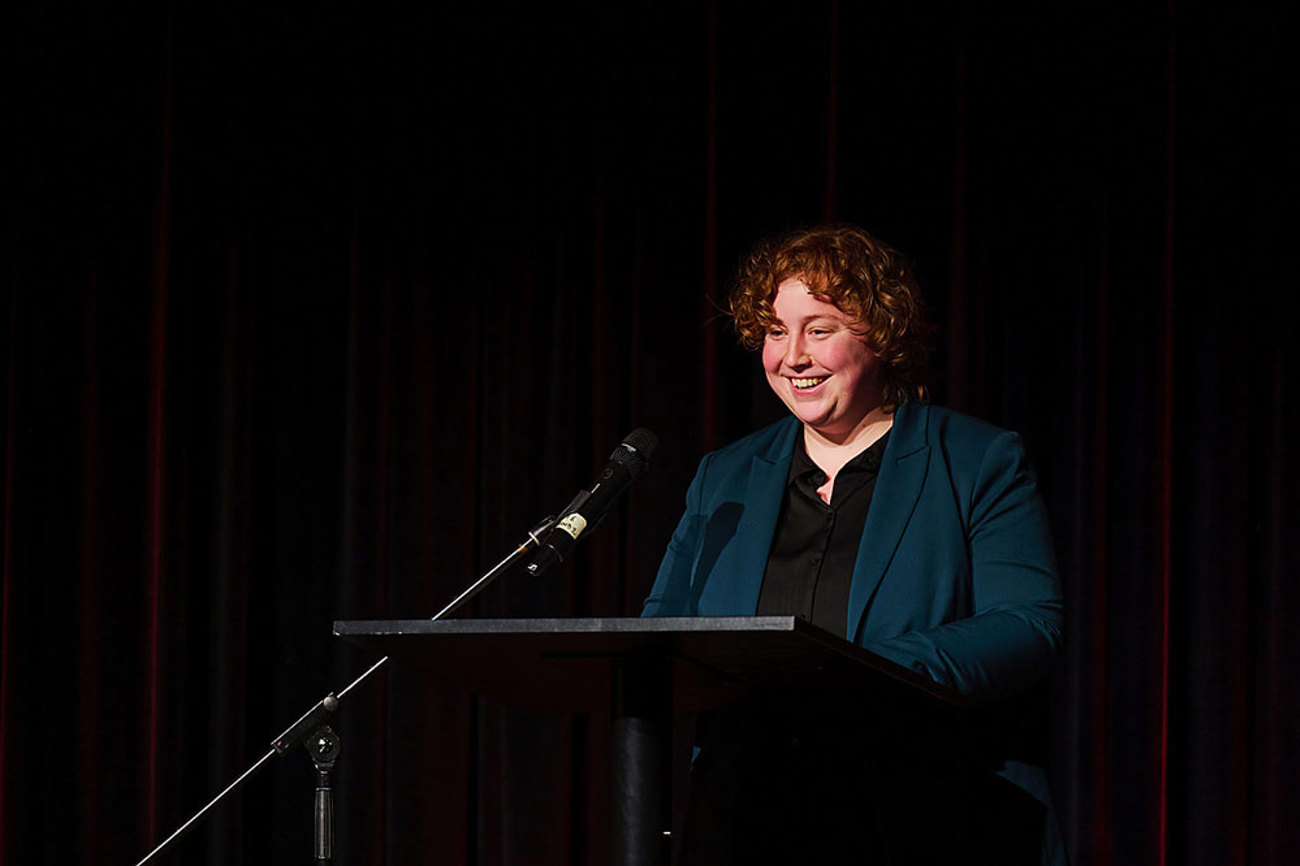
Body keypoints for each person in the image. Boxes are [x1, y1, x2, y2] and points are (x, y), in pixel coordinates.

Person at [642, 225, 1065, 865]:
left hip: (918, 814)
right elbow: (661, 633)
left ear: (882, 334)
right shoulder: (724, 477)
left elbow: (1028, 624)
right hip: (746, 819)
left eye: (819, 329)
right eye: (776, 331)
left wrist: (862, 669)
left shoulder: (974, 461)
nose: (792, 356)